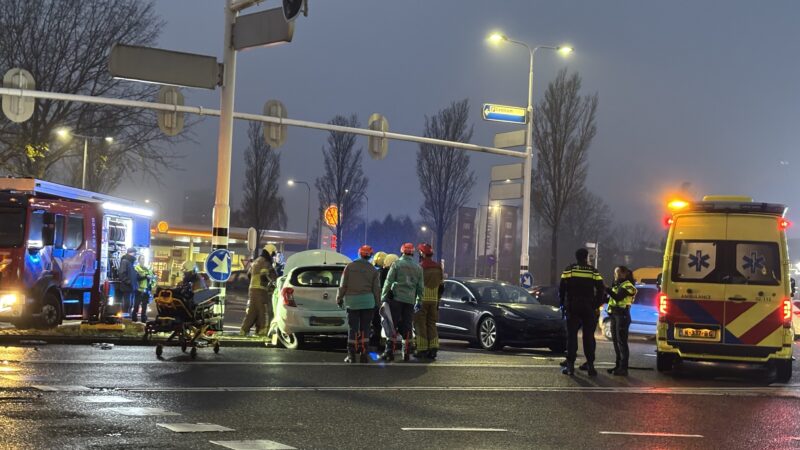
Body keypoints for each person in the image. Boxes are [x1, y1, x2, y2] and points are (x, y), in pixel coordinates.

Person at [558, 248, 605, 376]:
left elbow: (562, 288)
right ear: (586, 257)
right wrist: (595, 304)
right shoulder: (593, 271)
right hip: (588, 306)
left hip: (573, 306)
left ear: (576, 257)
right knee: (589, 336)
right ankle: (590, 366)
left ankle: (570, 366)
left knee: (572, 336)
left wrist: (563, 303)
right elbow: (601, 289)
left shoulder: (570, 269)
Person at [379, 243, 424, 362]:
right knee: (407, 325)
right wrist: (419, 301)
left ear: (402, 252)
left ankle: (389, 351)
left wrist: (383, 297)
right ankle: (407, 352)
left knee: (392, 324)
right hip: (410, 301)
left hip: (397, 300)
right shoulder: (418, 268)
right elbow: (420, 287)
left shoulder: (397, 264)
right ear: (412, 253)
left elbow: (388, 282)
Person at [337, 245, 381, 363]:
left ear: (359, 254)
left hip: (352, 303)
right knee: (366, 328)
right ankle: (364, 354)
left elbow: (343, 285)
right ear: (370, 255)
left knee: (353, 328)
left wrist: (339, 298)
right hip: (368, 302)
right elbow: (376, 289)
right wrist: (378, 303)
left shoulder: (349, 267)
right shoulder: (373, 270)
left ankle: (351, 355)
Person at [605, 266, 637, 376]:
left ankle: (624, 368)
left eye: (618, 273)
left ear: (624, 274)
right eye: (615, 273)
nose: (616, 275)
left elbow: (618, 297)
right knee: (616, 341)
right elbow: (611, 299)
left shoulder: (628, 286)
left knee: (622, 342)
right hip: (614, 315)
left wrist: (607, 289)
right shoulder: (618, 285)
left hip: (622, 315)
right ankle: (618, 365)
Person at [240, 244, 278, 337]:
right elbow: (267, 276)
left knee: (252, 311)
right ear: (270, 252)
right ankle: (262, 330)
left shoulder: (256, 261)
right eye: (273, 254)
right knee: (263, 310)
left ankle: (244, 330)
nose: (273, 256)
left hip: (252, 289)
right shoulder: (266, 262)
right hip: (261, 290)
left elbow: (249, 274)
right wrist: (273, 283)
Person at [414, 243, 444, 359]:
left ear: (421, 253)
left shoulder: (420, 267)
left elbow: (416, 285)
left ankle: (422, 349)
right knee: (431, 324)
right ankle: (433, 347)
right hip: (434, 300)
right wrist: (437, 300)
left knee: (420, 324)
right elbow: (442, 286)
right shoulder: (438, 267)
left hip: (422, 300)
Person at [368, 251, 387, 348]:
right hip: (388, 301)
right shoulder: (390, 271)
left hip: (378, 301)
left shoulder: (378, 273)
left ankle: (377, 340)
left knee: (377, 321)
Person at [132, 255, 156, 322]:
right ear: (139, 260)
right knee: (136, 305)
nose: (143, 260)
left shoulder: (147, 269)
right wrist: (146, 276)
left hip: (146, 290)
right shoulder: (136, 268)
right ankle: (134, 318)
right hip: (139, 290)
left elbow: (152, 277)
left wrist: (152, 279)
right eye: (142, 259)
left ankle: (143, 319)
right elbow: (137, 278)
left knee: (144, 306)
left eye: (144, 259)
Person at [117, 248, 139, 317]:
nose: (135, 255)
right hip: (127, 287)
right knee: (127, 304)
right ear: (131, 253)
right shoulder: (125, 261)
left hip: (130, 287)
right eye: (134, 253)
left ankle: (127, 318)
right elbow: (122, 274)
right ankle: (125, 319)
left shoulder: (130, 262)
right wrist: (129, 282)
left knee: (129, 304)